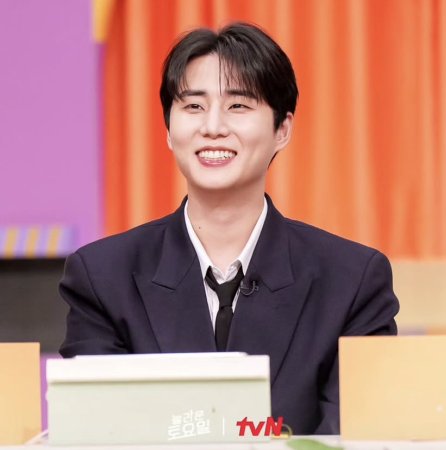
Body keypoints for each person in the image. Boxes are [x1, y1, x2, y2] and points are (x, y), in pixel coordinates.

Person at [59, 22, 399, 434]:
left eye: (238, 105)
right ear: (168, 130)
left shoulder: (353, 282)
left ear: (282, 130)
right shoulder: (102, 278)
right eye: (193, 106)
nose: (213, 126)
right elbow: (95, 432)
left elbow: (358, 436)